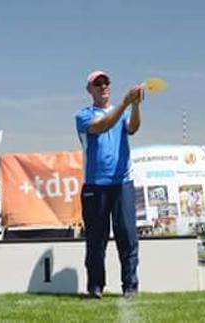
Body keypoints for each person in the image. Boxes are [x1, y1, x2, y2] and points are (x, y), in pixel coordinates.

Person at [75, 70, 143, 299]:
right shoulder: (83, 115)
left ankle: (130, 286)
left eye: (106, 83)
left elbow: (133, 128)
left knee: (127, 236)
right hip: (95, 184)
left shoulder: (121, 112)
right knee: (96, 239)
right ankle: (95, 286)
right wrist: (125, 103)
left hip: (123, 182)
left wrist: (135, 106)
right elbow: (102, 126)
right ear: (90, 90)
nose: (103, 86)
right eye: (98, 84)